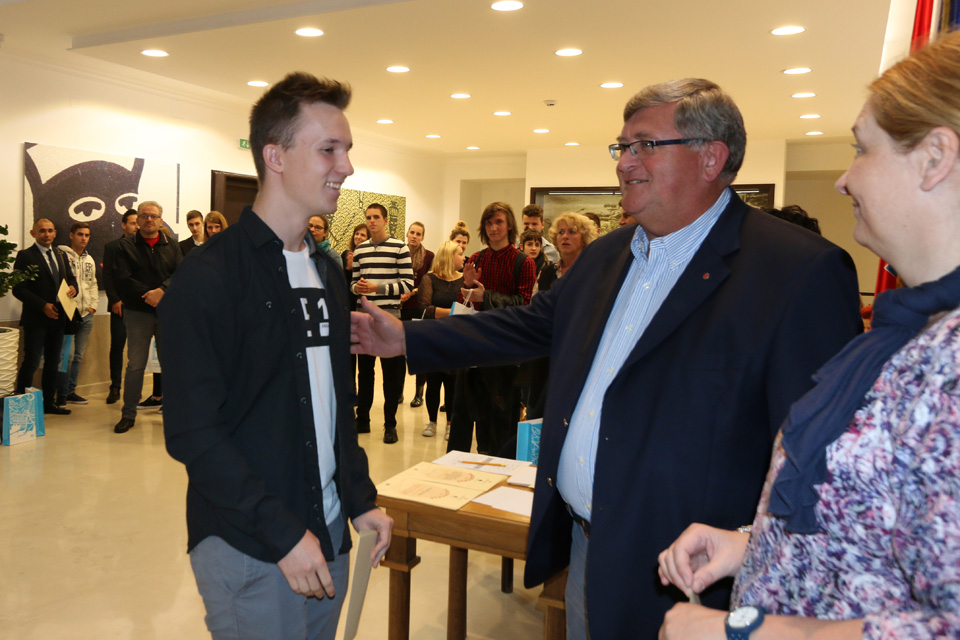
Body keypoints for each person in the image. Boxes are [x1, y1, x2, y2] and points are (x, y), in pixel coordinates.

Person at [352, 78, 863, 638]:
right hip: (586, 551)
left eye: (646, 145)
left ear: (711, 157)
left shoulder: (796, 271)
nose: (624, 163)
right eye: (622, 147)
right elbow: (531, 324)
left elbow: (822, 460)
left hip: (697, 581)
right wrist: (409, 339)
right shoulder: (608, 255)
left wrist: (753, 549)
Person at [657, 32, 960, 640]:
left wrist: (741, 631)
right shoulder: (917, 334)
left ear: (934, 157)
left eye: (863, 149)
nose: (845, 180)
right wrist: (754, 545)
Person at [159, 71, 392, 640]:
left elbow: (334, 408)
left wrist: (359, 498)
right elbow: (192, 432)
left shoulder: (328, 273)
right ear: (275, 156)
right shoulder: (208, 277)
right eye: (329, 149)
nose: (347, 166)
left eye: (347, 149)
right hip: (251, 544)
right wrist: (282, 533)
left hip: (328, 533)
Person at [445, 201, 535, 456]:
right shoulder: (476, 259)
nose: (494, 228)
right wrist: (466, 286)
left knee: (500, 420)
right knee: (463, 413)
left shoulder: (523, 262)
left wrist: (486, 297)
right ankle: (456, 468)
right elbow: (463, 303)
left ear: (509, 226)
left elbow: (524, 304)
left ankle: (497, 471)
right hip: (474, 347)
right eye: (489, 223)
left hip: (504, 350)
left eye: (499, 222)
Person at [112, 200, 181, 434]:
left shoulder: (172, 245)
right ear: (138, 220)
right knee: (135, 365)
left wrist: (162, 291)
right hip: (137, 312)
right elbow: (123, 278)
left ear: (160, 220)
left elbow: (181, 273)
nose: (149, 219)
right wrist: (149, 295)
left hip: (168, 312)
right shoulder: (124, 246)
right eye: (144, 216)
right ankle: (128, 414)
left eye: (153, 216)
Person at [351, 203, 413, 443]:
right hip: (364, 318)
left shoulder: (399, 247)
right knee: (365, 373)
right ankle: (362, 420)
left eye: (376, 217)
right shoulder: (360, 250)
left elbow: (407, 284)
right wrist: (358, 288)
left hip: (390, 318)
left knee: (391, 375)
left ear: (385, 220)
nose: (371, 221)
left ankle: (390, 425)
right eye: (368, 217)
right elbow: (353, 284)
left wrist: (377, 288)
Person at [12, 218, 78, 415]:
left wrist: (73, 287)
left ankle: (49, 403)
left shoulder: (61, 254)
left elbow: (70, 278)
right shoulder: (25, 256)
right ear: (33, 233)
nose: (46, 234)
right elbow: (18, 289)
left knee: (52, 362)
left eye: (50, 230)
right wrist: (43, 306)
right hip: (36, 319)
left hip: (58, 317)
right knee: (31, 361)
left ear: (55, 233)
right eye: (42, 231)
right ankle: (21, 407)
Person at [416, 240, 464, 438]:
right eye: (460, 254)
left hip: (457, 339)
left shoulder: (464, 280)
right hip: (435, 337)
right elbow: (425, 309)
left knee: (453, 383)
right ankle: (432, 422)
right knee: (433, 381)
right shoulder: (430, 279)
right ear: (449, 257)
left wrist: (448, 313)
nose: (463, 257)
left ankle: (451, 424)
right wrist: (453, 312)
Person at [57, 221, 98, 405]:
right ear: (71, 235)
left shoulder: (89, 259)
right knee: (67, 356)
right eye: (80, 234)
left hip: (86, 314)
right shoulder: (61, 255)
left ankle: (71, 391)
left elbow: (93, 284)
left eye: (87, 235)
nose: (84, 238)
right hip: (68, 314)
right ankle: (61, 393)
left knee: (79, 356)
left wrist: (93, 306)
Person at [101, 209, 139, 404]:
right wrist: (115, 299)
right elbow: (107, 275)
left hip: (140, 306)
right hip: (119, 306)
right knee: (117, 346)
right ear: (124, 225)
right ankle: (115, 386)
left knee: (138, 349)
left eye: (138, 223)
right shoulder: (112, 247)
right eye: (132, 223)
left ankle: (135, 389)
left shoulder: (145, 246)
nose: (136, 226)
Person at [400, 221, 433, 408]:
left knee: (418, 352)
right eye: (412, 232)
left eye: (418, 234)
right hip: (400, 307)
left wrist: (411, 292)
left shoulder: (429, 256)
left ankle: (419, 393)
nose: (414, 236)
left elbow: (429, 282)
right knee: (399, 352)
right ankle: (398, 392)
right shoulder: (399, 252)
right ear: (407, 234)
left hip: (419, 308)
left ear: (423, 237)